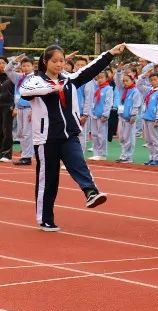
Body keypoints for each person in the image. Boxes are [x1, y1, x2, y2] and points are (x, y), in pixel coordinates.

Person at [20, 45, 119, 230]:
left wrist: (110, 54)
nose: (59, 64)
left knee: (78, 162)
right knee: (48, 179)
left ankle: (90, 191)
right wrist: (51, 88)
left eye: (62, 61)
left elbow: (90, 70)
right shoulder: (33, 80)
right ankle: (45, 218)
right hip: (46, 138)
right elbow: (25, 92)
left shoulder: (69, 79)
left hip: (69, 134)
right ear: (45, 62)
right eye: (54, 61)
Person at [140, 71, 158, 166]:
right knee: (148, 140)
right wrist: (144, 76)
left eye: (155, 79)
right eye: (151, 80)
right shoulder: (149, 91)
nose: (153, 82)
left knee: (156, 140)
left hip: (154, 120)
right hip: (146, 118)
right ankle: (152, 157)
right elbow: (139, 85)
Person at [88, 70, 114, 160]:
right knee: (94, 134)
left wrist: (105, 114)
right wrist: (91, 112)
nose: (100, 79)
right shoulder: (96, 88)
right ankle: (96, 153)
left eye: (102, 77)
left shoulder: (108, 89)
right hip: (94, 114)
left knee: (101, 135)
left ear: (106, 78)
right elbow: (92, 101)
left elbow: (108, 103)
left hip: (102, 115)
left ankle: (102, 154)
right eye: (98, 78)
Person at [116, 72, 142, 163]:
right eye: (124, 81)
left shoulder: (135, 91)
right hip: (122, 117)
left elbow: (136, 105)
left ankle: (128, 157)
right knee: (122, 137)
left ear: (132, 80)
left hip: (130, 118)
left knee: (129, 138)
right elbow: (117, 82)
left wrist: (133, 115)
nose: (125, 83)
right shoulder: (122, 89)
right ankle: (123, 155)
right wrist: (119, 72)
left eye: (127, 81)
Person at [0, 57, 13, 161]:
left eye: (3, 63)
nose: (1, 65)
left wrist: (14, 105)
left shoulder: (11, 77)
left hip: (8, 105)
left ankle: (6, 153)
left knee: (6, 130)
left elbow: (17, 92)